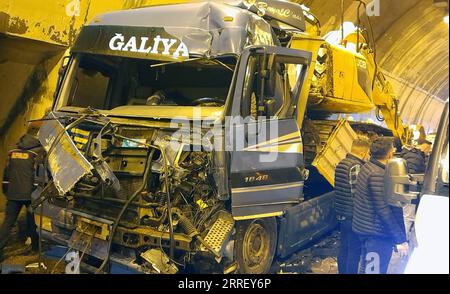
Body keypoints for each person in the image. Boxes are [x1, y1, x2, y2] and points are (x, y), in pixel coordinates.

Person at [352, 137, 408, 274]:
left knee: (367, 268)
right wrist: (400, 239)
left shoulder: (367, 167)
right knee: (374, 271)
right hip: (376, 236)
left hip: (365, 229)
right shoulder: (379, 174)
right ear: (389, 154)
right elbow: (383, 210)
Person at [0, 130, 43, 261]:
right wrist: (36, 192)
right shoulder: (36, 154)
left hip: (13, 194)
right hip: (29, 195)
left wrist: (7, 191)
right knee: (32, 221)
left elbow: (6, 175)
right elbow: (38, 176)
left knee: (8, 223)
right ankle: (35, 248)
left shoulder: (12, 153)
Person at [335, 137, 371, 274]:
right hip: (352, 215)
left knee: (344, 247)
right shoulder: (356, 166)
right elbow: (357, 194)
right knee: (354, 250)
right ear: (363, 153)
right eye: (367, 153)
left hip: (342, 212)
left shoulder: (341, 163)